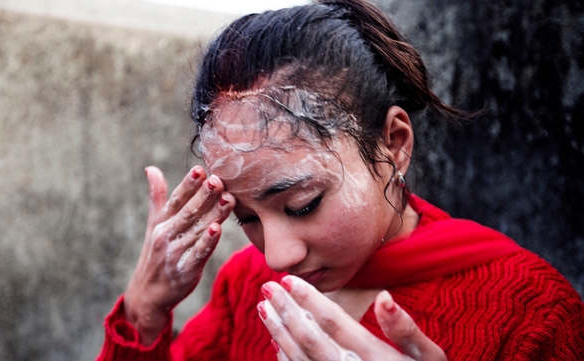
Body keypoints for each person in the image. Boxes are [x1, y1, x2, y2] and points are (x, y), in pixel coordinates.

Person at [96, 0, 584, 360]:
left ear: (394, 143)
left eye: (303, 203)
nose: (277, 257)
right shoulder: (248, 288)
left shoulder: (532, 314)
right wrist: (143, 311)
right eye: (246, 218)